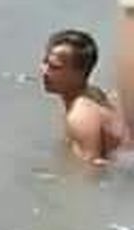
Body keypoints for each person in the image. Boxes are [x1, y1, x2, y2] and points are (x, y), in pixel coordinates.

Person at [41, 2, 134, 165]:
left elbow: (90, 175)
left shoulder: (80, 116)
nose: (45, 71)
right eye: (45, 62)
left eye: (55, 67)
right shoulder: (93, 93)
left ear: (79, 73)